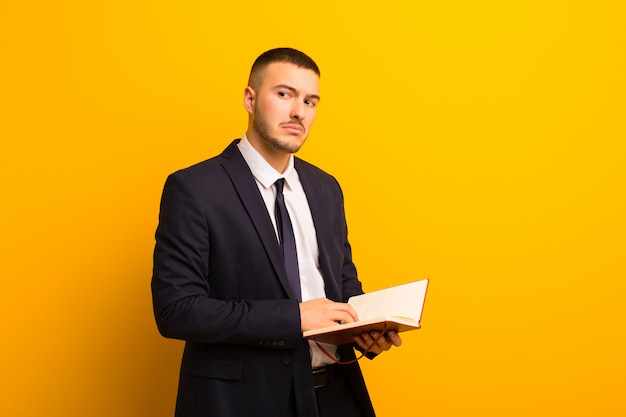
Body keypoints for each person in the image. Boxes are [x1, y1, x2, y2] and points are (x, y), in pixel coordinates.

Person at [151, 47, 402, 417]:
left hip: (334, 396)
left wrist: (365, 328)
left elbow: (345, 286)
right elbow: (176, 310)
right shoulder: (195, 189)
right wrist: (295, 318)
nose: (299, 111)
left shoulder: (326, 188)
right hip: (241, 403)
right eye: (284, 94)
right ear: (250, 99)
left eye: (310, 101)